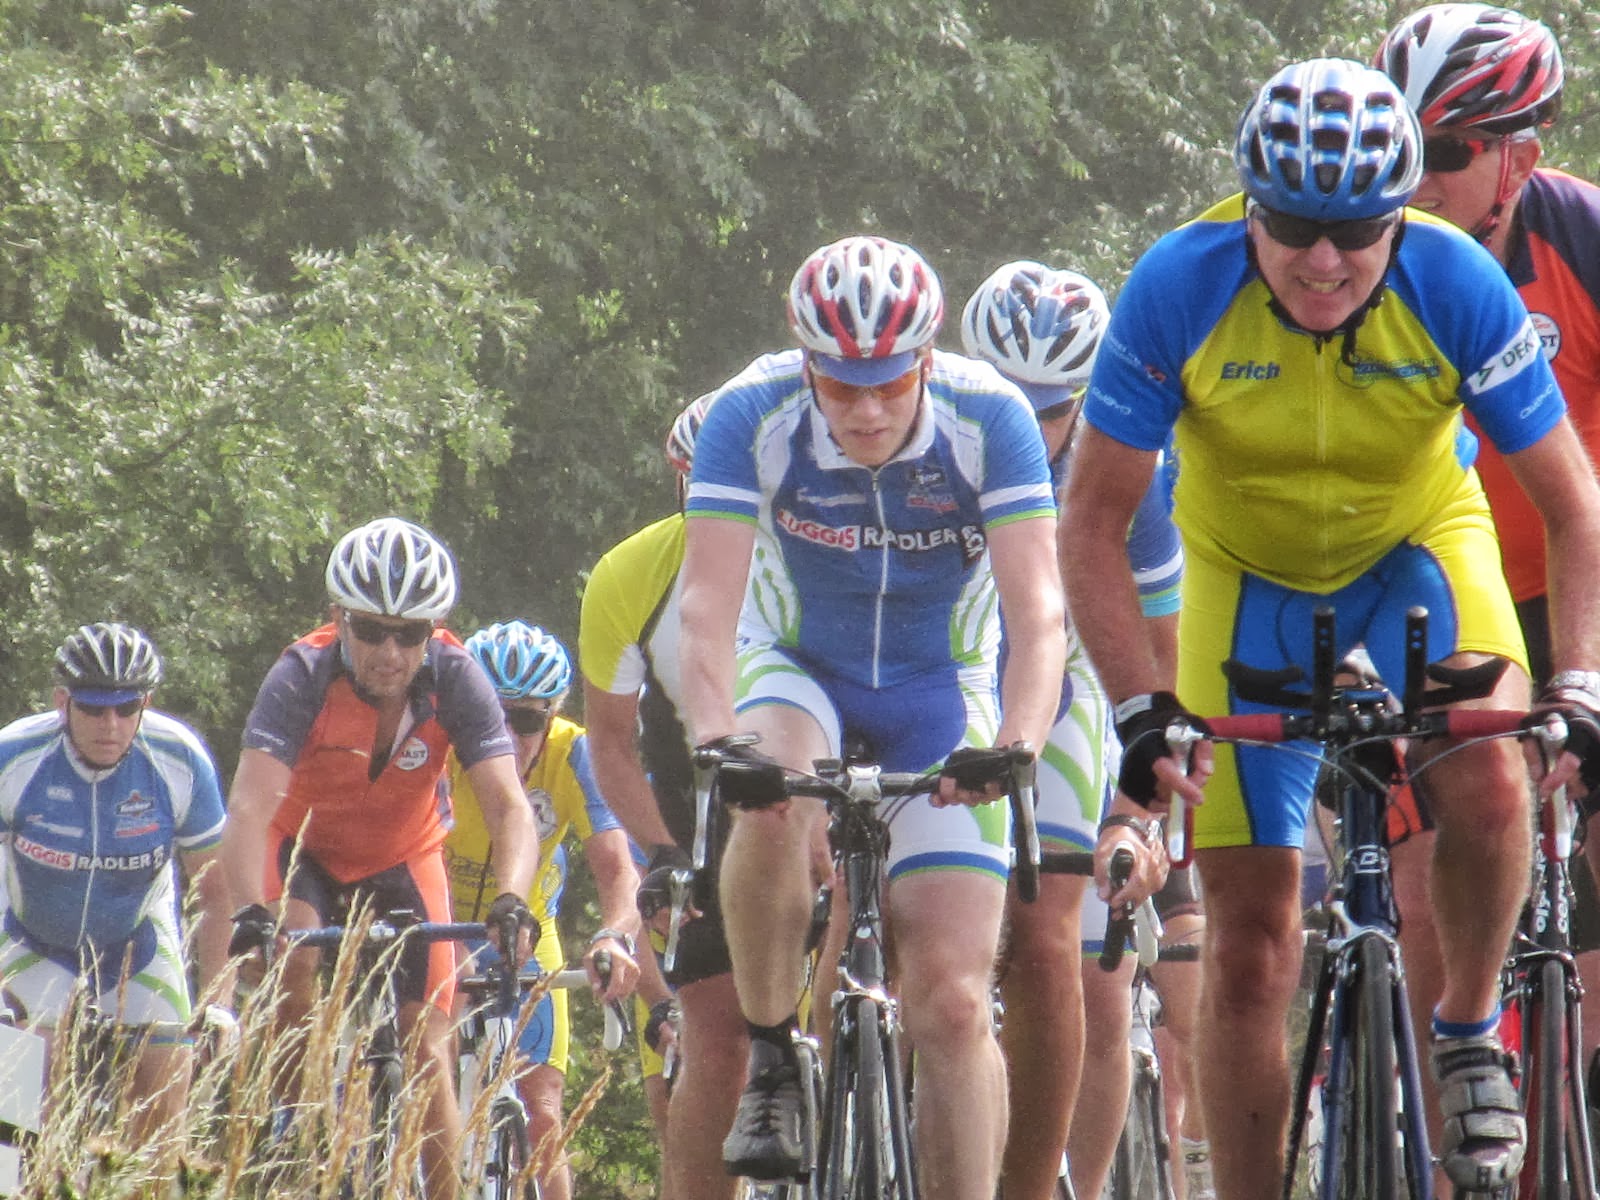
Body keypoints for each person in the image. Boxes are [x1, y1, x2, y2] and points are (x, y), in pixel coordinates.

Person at [1059, 57, 1600, 1199]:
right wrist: (1140, 709)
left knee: (1490, 774)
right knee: (1250, 950)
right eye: (1293, 224)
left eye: (1355, 230)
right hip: (1241, 574)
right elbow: (1092, 521)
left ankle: (1465, 1032)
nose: (1322, 258)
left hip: (1415, 552)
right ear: (1250, 209)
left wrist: (1581, 683)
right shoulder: (1178, 282)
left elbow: (1571, 504)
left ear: (1397, 217)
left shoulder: (1452, 279)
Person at [679, 234, 1067, 1200]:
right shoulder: (749, 413)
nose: (865, 409)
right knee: (768, 796)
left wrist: (1015, 744)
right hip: (799, 667)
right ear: (805, 362)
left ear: (927, 360)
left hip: (941, 686)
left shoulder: (992, 417)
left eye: (889, 384)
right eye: (840, 385)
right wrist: (717, 743)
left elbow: (1038, 615)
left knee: (953, 1005)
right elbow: (706, 610)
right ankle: (774, 1054)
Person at [1376, 0, 1600, 1108]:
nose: (1418, 179)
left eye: (1449, 152)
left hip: (1576, 583)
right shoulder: (1361, 248)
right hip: (1438, 591)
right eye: (1404, 146)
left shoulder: (1582, 240)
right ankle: (1449, 1143)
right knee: (1428, 891)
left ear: (1521, 154)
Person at [959, 260, 1192, 1200]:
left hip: (1071, 691)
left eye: (1053, 407)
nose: (1027, 421)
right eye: (1008, 395)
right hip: (948, 680)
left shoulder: (1131, 468)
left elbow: (1163, 653)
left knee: (1056, 943)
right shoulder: (926, 431)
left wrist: (1138, 810)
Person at [220, 516, 538, 1200]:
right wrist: (249, 910)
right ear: (339, 619)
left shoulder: (457, 677)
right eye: (369, 629)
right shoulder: (301, 674)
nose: (390, 651)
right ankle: (297, 1137)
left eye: (410, 633)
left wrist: (512, 900)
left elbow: (510, 807)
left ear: (434, 630)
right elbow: (247, 808)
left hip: (402, 853)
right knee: (294, 958)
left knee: (427, 1043)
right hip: (301, 848)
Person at [579, 392, 753, 1200]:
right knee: (716, 1034)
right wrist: (666, 852)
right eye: (700, 481)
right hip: (698, 796)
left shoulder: (823, 552)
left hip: (819, 777)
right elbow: (612, 745)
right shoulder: (629, 574)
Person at [0, 622, 229, 1160]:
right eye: (93, 708)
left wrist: (218, 1002)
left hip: (137, 944)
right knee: (25, 1118)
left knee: (163, 1126)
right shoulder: (14, 756)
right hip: (34, 941)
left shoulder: (179, 760)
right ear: (62, 702)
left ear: (145, 703)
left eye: (127, 709)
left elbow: (217, 894)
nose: (111, 725)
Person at [443, 620, 642, 1200]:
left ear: (552, 717)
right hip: (441, 925)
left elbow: (619, 868)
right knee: (427, 1089)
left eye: (527, 720)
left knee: (543, 1111)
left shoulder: (574, 752)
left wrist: (613, 935)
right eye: (491, 713)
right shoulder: (441, 744)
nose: (506, 733)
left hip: (528, 930)